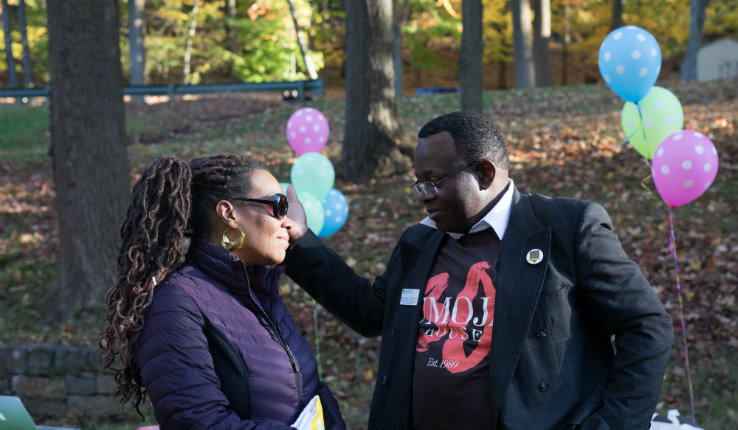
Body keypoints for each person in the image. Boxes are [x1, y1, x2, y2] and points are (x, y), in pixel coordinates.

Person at [283, 111, 673, 430]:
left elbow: (646, 325)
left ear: (485, 173)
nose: (424, 197)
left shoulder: (567, 228)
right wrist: (300, 239)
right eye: (418, 184)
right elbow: (368, 312)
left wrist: (614, 425)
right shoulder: (420, 241)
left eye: (433, 182)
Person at [100, 154, 345, 430]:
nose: (287, 221)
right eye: (278, 206)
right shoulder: (174, 305)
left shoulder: (262, 291)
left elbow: (310, 393)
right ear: (228, 213)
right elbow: (199, 422)